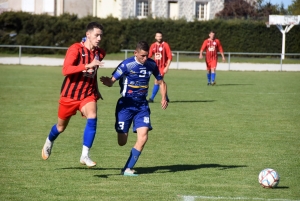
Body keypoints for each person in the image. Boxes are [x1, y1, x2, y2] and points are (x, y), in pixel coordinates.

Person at [41, 22, 106, 168]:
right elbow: (66, 70)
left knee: (93, 116)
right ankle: (49, 140)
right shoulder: (75, 49)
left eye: (101, 35)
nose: (99, 38)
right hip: (69, 96)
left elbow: (93, 73)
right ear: (88, 34)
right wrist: (86, 65)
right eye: (97, 35)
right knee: (60, 127)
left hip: (87, 95)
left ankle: (85, 155)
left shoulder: (100, 53)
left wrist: (96, 88)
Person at [100, 41, 168, 176]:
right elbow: (112, 81)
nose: (145, 58)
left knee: (143, 137)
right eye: (142, 56)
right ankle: (121, 127)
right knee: (122, 141)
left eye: (147, 55)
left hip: (142, 106)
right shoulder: (126, 64)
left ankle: (127, 169)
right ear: (135, 53)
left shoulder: (151, 64)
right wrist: (107, 81)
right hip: (125, 105)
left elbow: (161, 82)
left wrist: (163, 97)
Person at [148, 31, 172, 102]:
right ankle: (166, 98)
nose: (159, 38)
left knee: (157, 81)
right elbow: (149, 56)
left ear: (162, 37)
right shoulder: (153, 46)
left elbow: (170, 57)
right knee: (161, 82)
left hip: (162, 67)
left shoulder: (165, 45)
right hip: (155, 67)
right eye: (158, 36)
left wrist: (167, 67)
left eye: (160, 36)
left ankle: (151, 98)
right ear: (155, 37)